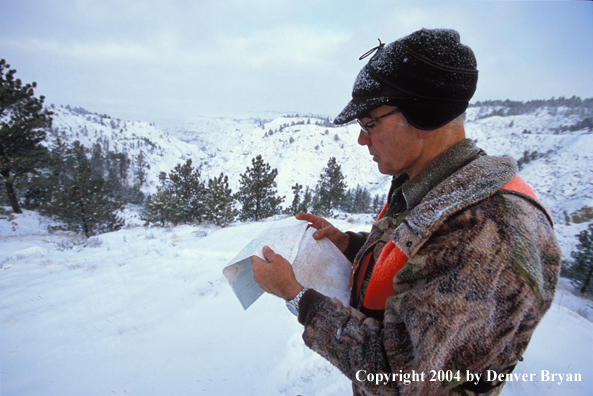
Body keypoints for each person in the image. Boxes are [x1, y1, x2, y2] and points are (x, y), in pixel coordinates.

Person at [251, 28, 561, 396]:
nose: (361, 139)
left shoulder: (488, 234)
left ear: (425, 115)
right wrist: (348, 245)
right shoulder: (432, 186)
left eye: (370, 124)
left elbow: (402, 379)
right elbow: (421, 259)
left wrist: (297, 297)